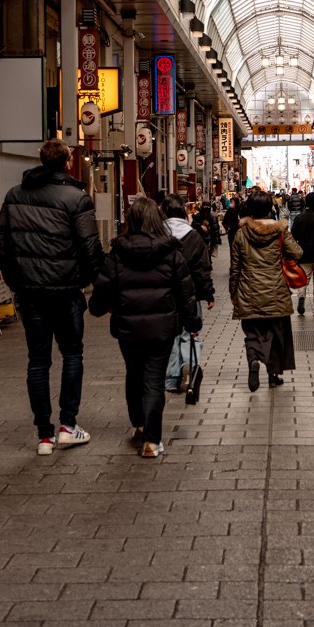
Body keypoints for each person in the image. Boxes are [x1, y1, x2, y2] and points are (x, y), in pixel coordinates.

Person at [0, 138, 103, 456]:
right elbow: (90, 248)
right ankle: (68, 426)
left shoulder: (14, 196)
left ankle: (44, 434)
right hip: (67, 291)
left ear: (41, 161)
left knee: (38, 361)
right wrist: (99, 284)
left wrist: (16, 282)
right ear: (67, 162)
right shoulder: (76, 198)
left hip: (30, 294)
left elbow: (1, 246)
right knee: (72, 355)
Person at [89, 195, 200, 460]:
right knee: (153, 380)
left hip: (128, 328)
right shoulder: (171, 253)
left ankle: (138, 424)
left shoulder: (117, 253)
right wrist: (192, 322)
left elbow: (102, 290)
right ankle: (152, 440)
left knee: (134, 374)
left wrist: (98, 308)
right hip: (162, 329)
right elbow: (186, 293)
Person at [229, 188, 303, 390]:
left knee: (252, 332)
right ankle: (273, 375)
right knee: (277, 333)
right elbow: (297, 252)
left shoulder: (241, 233)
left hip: (248, 291)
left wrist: (233, 293)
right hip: (276, 291)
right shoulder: (279, 231)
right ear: (270, 208)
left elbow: (234, 268)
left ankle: (253, 359)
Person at [161, 194, 214, 403]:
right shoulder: (194, 237)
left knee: (170, 335)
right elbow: (203, 269)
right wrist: (208, 293)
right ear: (184, 213)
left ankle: (172, 378)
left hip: (164, 295)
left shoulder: (157, 236)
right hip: (190, 294)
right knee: (190, 332)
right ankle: (189, 368)